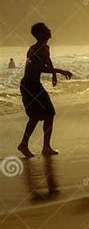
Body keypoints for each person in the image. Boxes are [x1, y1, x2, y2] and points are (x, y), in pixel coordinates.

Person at [17, 23, 72, 158]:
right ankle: (27, 144)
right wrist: (59, 71)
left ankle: (44, 146)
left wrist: (54, 75)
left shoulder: (45, 47)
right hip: (29, 86)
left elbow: (48, 60)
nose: (50, 30)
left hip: (35, 85)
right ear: (40, 34)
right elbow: (39, 68)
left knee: (48, 114)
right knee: (38, 115)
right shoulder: (34, 50)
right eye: (46, 30)